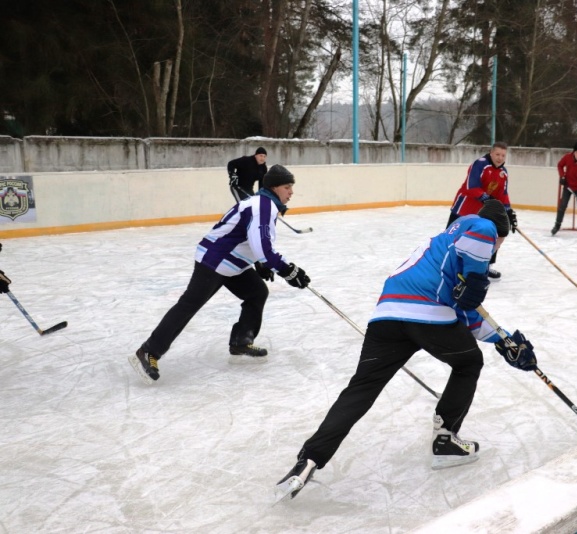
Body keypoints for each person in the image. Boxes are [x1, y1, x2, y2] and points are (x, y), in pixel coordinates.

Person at [275, 199, 537, 502]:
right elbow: (481, 240)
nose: (496, 250)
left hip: (387, 315)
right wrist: (478, 278)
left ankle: (309, 459)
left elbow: (464, 311)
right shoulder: (480, 226)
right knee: (469, 363)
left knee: (361, 389)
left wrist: (502, 339)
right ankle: (446, 440)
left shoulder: (445, 242)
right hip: (427, 315)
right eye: (500, 244)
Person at [129, 164, 311, 385]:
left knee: (256, 292)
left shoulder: (263, 204)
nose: (291, 192)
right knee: (189, 305)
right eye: (287, 187)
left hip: (232, 264)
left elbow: (249, 240)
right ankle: (149, 351)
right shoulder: (263, 206)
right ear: (273, 187)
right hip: (214, 260)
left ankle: (241, 341)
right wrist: (287, 270)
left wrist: (261, 265)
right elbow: (263, 247)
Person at [447, 142, 517, 280]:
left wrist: (509, 212)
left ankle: (485, 265)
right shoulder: (480, 164)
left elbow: (503, 194)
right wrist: (488, 199)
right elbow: (471, 186)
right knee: (452, 236)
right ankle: (446, 264)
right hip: (464, 207)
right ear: (491, 153)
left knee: (493, 234)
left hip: (484, 210)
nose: (500, 158)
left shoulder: (504, 173)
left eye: (503, 155)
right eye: (497, 154)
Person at [552, 141, 577, 237]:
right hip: (568, 186)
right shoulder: (567, 157)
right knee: (562, 205)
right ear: (573, 152)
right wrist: (562, 176)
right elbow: (560, 165)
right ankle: (557, 225)